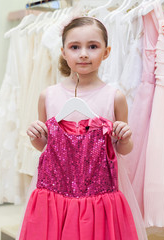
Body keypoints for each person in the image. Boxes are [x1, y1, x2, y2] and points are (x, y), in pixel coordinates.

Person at [19, 17, 139, 240]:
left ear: (106, 52)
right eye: (75, 47)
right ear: (64, 52)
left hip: (99, 197)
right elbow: (45, 147)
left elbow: (123, 150)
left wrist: (124, 137)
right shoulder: (48, 96)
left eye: (93, 46)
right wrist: (36, 135)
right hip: (55, 196)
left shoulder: (114, 97)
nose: (83, 54)